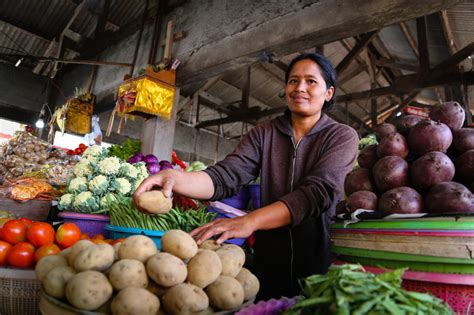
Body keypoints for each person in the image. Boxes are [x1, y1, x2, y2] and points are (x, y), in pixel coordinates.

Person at [133, 52, 359, 299]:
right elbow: (226, 175)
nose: (299, 88)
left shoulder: (341, 136)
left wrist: (249, 221)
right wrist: (175, 178)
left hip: (316, 264)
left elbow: (316, 194)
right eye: (293, 80)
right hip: (267, 264)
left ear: (329, 93)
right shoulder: (265, 133)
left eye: (311, 81)